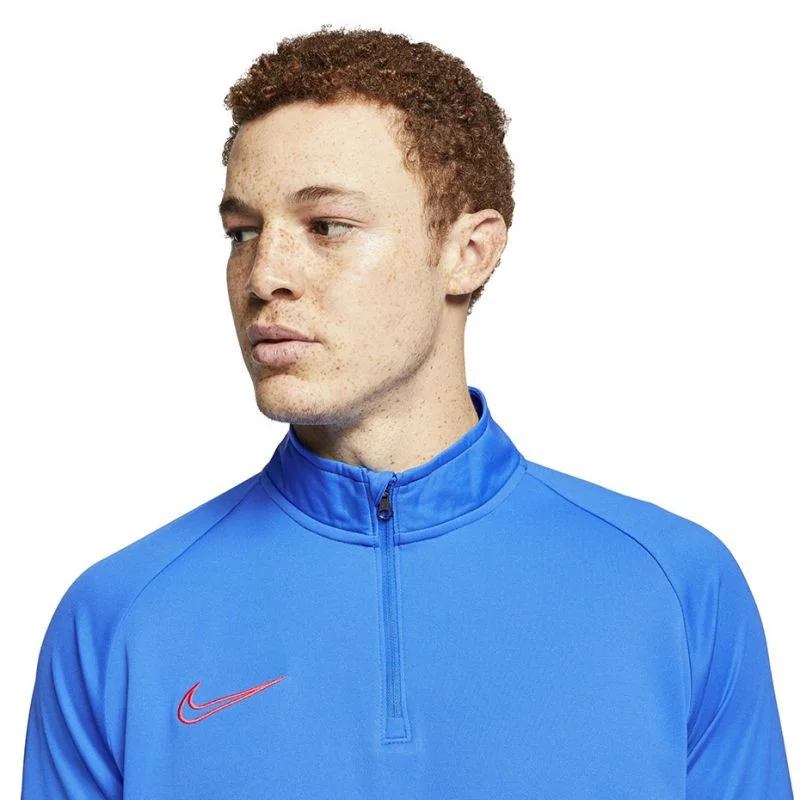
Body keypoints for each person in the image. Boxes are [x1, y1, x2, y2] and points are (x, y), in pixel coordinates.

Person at [21, 24, 793, 799]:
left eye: (327, 226)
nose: (263, 276)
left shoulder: (675, 588)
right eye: (242, 232)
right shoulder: (119, 618)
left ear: (469, 252)